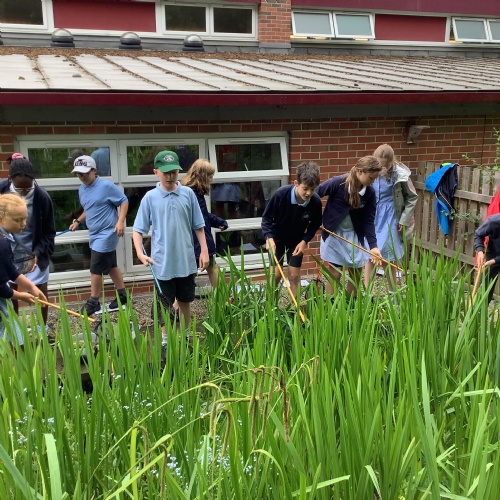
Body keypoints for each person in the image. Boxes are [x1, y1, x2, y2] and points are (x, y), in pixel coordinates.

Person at [132, 150, 209, 349]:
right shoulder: (150, 198)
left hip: (186, 261)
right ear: (156, 172)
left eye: (174, 172)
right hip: (162, 263)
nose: (170, 176)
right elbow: (138, 230)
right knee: (164, 305)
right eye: (165, 172)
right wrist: (140, 252)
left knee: (185, 301)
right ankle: (166, 342)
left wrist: (204, 251)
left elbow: (199, 225)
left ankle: (185, 337)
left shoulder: (188, 194)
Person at [69, 155, 129, 315]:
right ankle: (123, 296)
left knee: (95, 267)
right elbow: (89, 209)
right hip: (94, 234)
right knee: (111, 265)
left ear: (94, 170)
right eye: (79, 174)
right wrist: (78, 221)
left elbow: (124, 201)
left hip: (108, 232)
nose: (82, 177)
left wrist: (120, 221)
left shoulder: (106, 186)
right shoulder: (82, 189)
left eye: (85, 173)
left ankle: (93, 302)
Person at [0, 156, 55, 325]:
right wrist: (19, 295)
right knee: (10, 290)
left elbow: (49, 233)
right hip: (9, 248)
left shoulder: (42, 198)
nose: (23, 193)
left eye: (27, 188)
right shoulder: (2, 191)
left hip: (34, 249)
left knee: (40, 289)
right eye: (19, 189)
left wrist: (37, 253)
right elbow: (3, 289)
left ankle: (42, 329)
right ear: (10, 180)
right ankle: (14, 330)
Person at [317, 156, 383, 297]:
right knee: (335, 272)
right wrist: (316, 220)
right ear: (360, 171)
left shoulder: (370, 193)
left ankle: (350, 304)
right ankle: (330, 304)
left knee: (356, 272)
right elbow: (315, 194)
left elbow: (368, 220)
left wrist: (373, 246)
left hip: (354, 235)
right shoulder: (338, 183)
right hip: (334, 234)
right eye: (371, 178)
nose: (373, 181)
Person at [261, 161, 322, 298]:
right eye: (305, 188)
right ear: (296, 183)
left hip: (296, 241)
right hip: (276, 239)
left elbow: (315, 224)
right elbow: (266, 218)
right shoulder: (281, 195)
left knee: (294, 276)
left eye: (313, 189)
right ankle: (270, 305)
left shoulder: (315, 202)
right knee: (276, 275)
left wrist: (304, 241)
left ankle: (296, 307)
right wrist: (268, 237)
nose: (309, 193)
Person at [364, 144, 418, 292]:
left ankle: (393, 293)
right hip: (372, 216)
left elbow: (412, 198)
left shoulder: (400, 175)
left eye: (385, 166)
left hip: (391, 217)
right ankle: (367, 294)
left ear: (391, 162)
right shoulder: (369, 169)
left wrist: (404, 220)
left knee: (389, 256)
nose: (382, 168)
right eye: (379, 165)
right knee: (370, 254)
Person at [0, 194, 47, 345]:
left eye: (25, 219)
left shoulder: (4, 239)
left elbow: (10, 270)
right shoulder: (1, 243)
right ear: (1, 218)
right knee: (8, 339)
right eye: (18, 220)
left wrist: (32, 287)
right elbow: (1, 287)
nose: (24, 224)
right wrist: (21, 296)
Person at [181, 159, 228, 288]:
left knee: (191, 273)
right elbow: (200, 220)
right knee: (210, 269)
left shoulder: (190, 192)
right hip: (197, 240)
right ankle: (222, 297)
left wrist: (218, 222)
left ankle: (179, 300)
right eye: (210, 176)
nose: (212, 180)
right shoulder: (193, 194)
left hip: (192, 241)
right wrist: (204, 247)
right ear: (203, 176)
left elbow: (203, 215)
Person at [474, 213, 500, 302]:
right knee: (484, 291)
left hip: (494, 258)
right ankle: (480, 309)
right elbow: (478, 234)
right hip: (493, 252)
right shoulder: (494, 222)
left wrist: (495, 260)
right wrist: (480, 251)